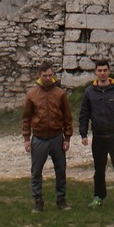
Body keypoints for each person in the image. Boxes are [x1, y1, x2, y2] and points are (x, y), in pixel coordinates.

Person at [79, 60, 114, 208]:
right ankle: (98, 197)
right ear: (95, 72)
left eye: (104, 70)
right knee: (99, 170)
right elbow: (84, 114)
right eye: (99, 70)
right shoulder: (89, 92)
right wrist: (83, 134)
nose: (102, 73)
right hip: (99, 137)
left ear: (109, 71)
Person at [21, 63, 73, 212]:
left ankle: (61, 200)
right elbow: (26, 118)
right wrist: (26, 138)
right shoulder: (32, 94)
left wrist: (67, 138)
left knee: (61, 171)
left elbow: (67, 117)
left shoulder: (60, 94)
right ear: (39, 76)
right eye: (45, 76)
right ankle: (38, 201)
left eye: (50, 75)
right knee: (36, 172)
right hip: (39, 138)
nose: (48, 78)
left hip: (57, 137)